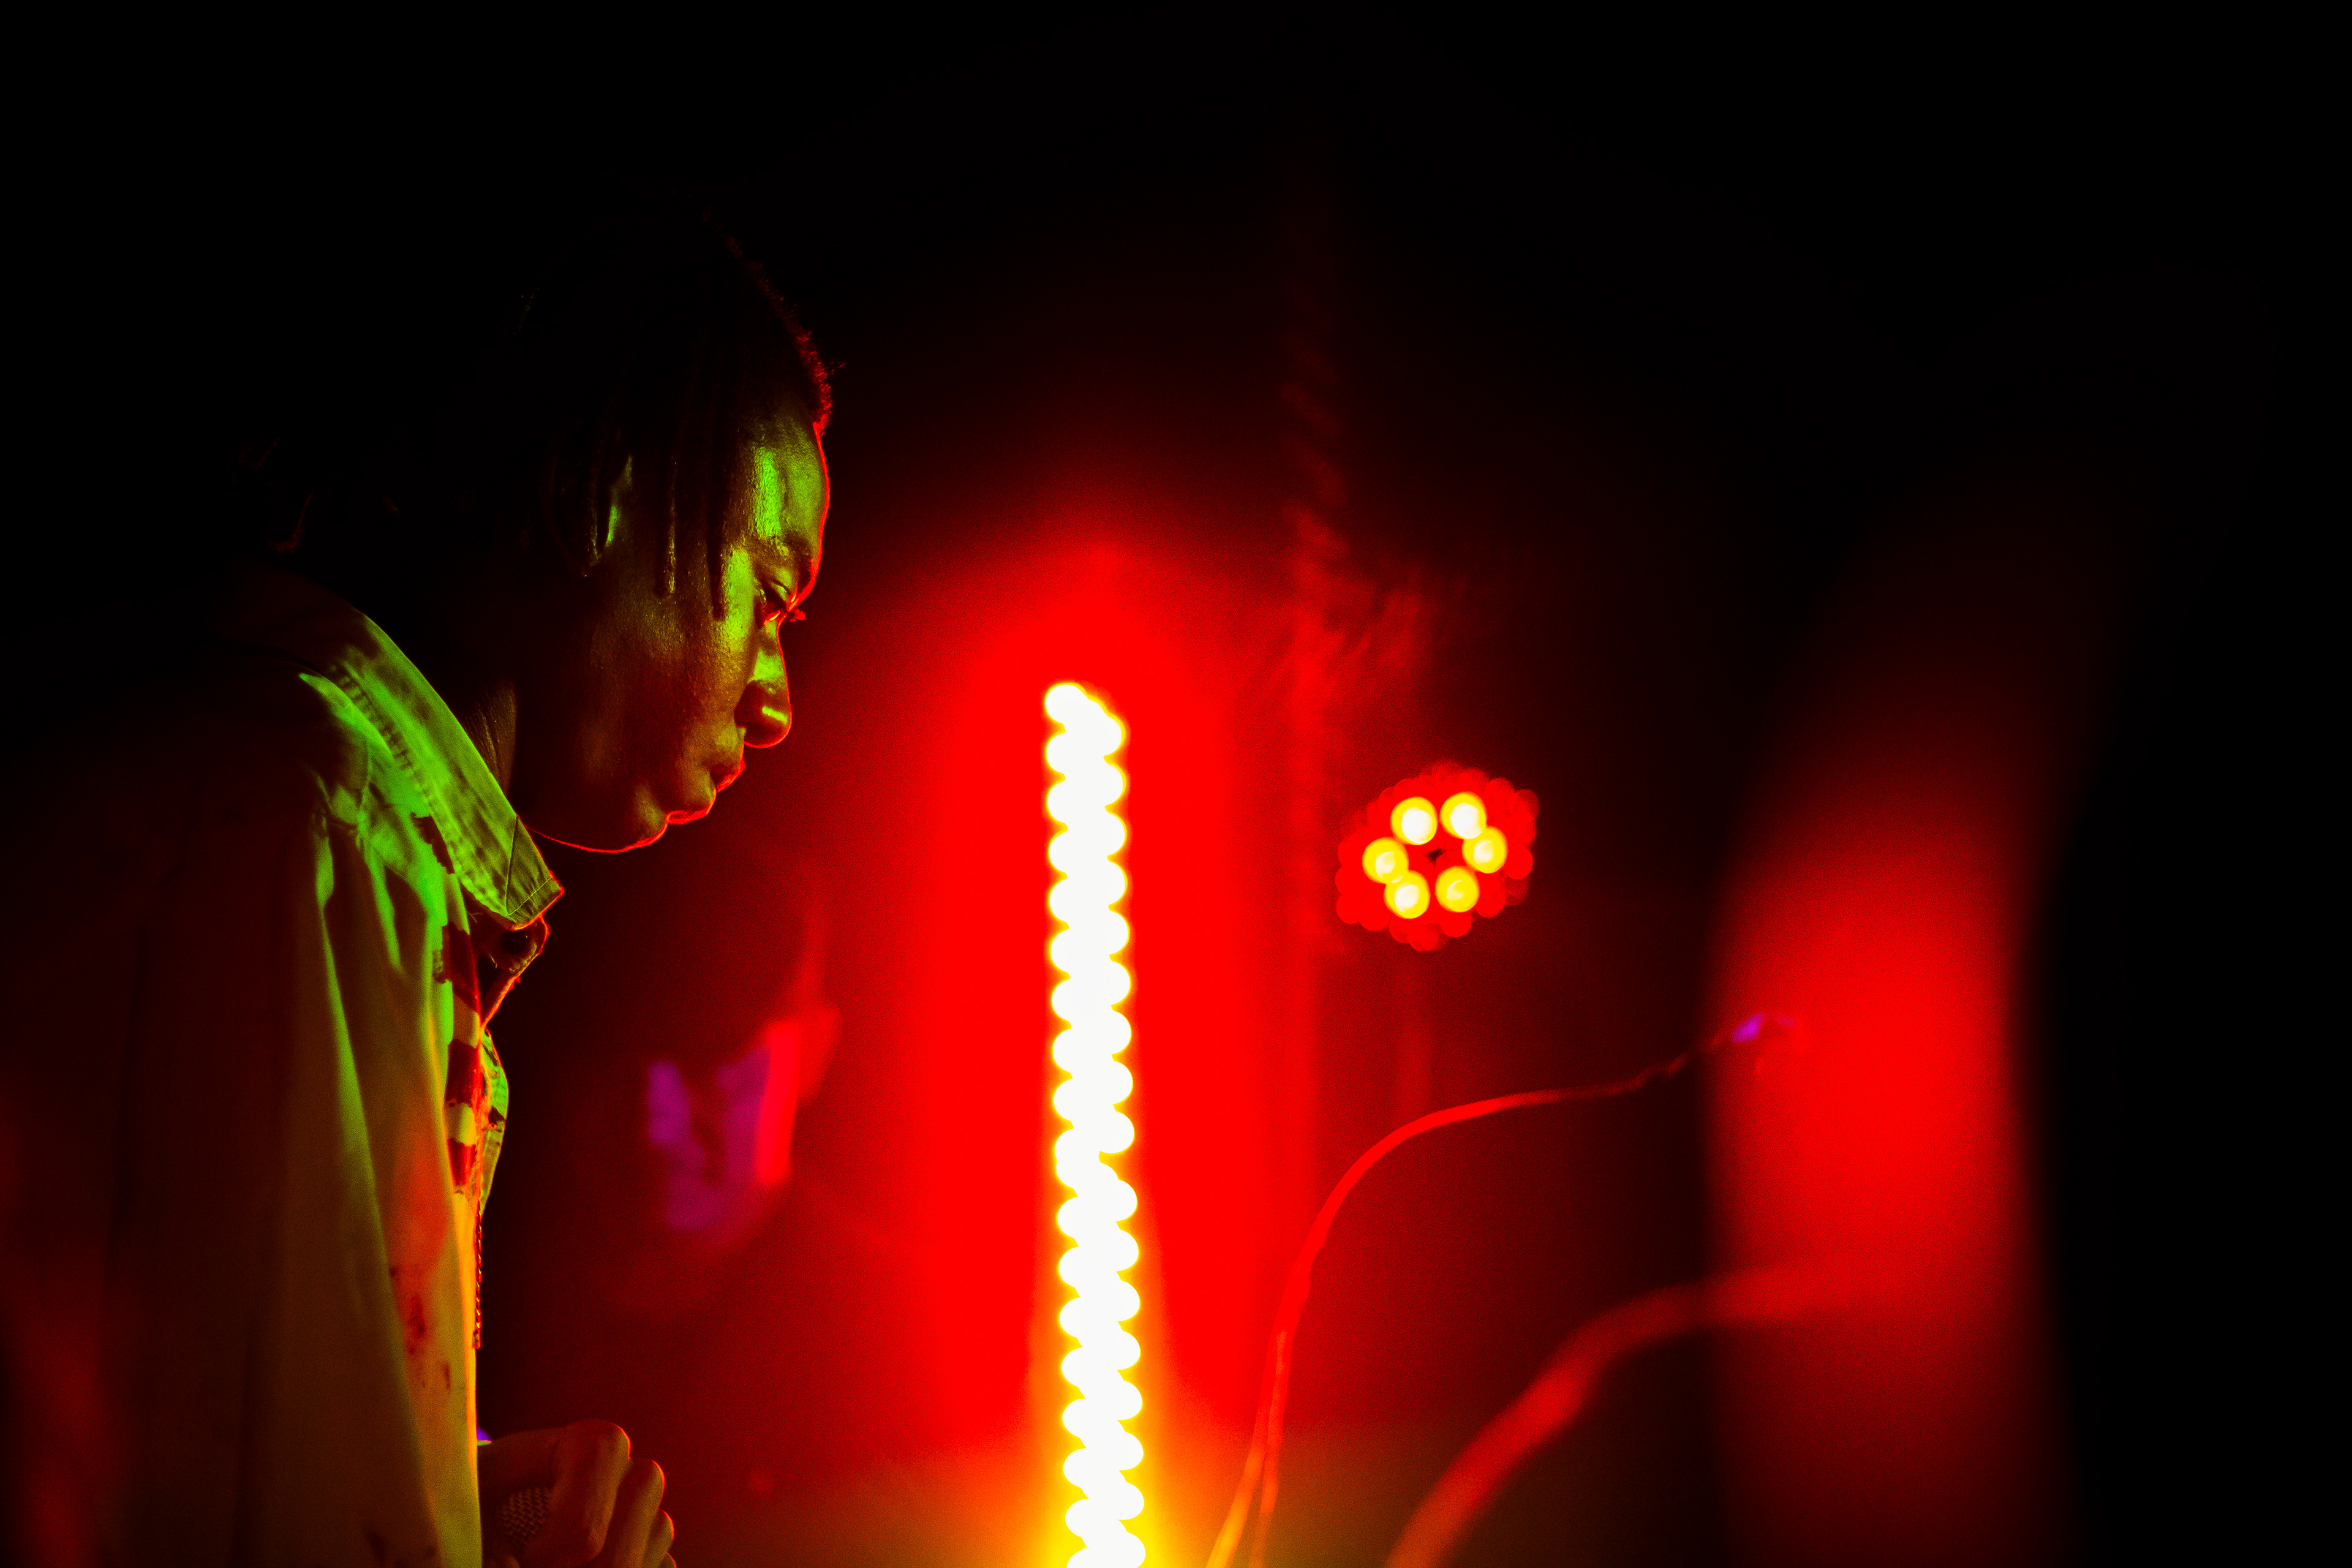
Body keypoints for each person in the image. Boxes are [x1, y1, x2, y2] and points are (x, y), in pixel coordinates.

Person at [0, 194, 829, 1567]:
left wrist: (456, 1492)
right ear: (605, 491)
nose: (778, 698)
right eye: (772, 592)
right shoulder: (311, 839)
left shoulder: (295, 816)